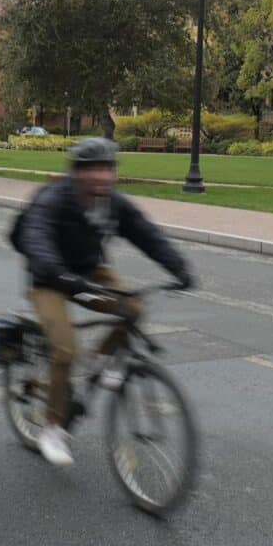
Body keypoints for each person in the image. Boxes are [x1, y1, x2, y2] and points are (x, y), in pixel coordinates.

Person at [16, 137, 194, 466]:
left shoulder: (113, 204)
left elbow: (147, 235)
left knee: (133, 307)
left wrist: (179, 267)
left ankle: (100, 360)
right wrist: (63, 278)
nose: (101, 176)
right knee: (64, 349)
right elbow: (36, 241)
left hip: (90, 271)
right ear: (76, 172)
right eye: (93, 169)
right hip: (49, 280)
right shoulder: (53, 199)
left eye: (107, 169)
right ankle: (52, 428)